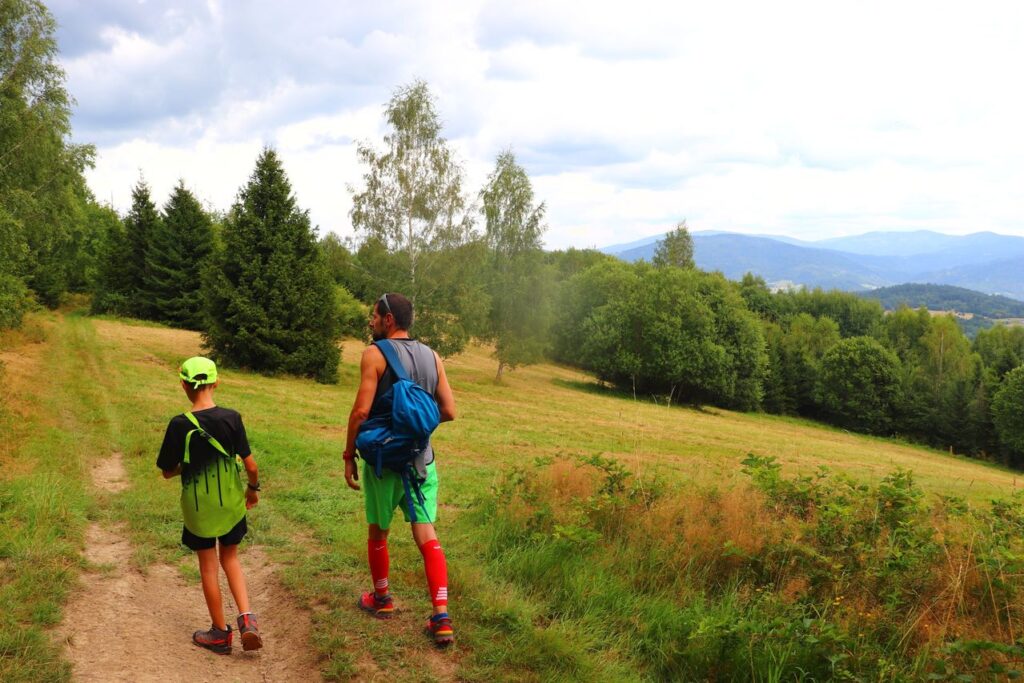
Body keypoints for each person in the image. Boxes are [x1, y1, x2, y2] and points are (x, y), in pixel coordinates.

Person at [344, 292, 458, 647]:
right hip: (422, 461)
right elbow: (449, 410)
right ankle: (441, 616)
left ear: (389, 319)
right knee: (427, 535)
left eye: (374, 316)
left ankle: (382, 599)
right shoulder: (433, 356)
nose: (371, 321)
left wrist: (349, 454)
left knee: (379, 532)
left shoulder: (374, 354)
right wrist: (413, 427)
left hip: (383, 463)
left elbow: (361, 412)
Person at [157, 356, 263, 654]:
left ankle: (219, 633)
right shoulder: (232, 417)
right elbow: (251, 466)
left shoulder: (179, 425)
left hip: (199, 509)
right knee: (231, 559)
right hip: (230, 502)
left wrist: (185, 466)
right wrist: (252, 491)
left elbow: (167, 471)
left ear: (184, 385)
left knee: (208, 567)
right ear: (216, 382)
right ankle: (247, 620)